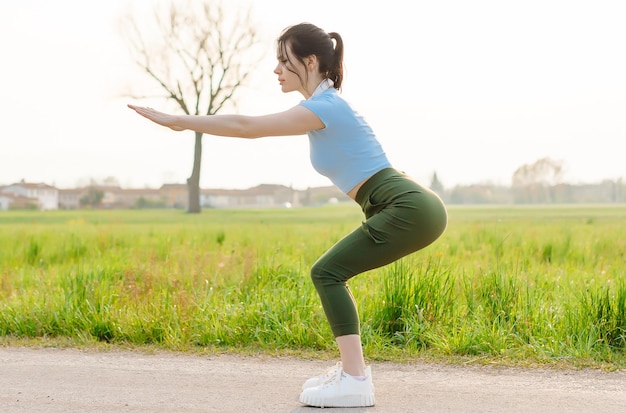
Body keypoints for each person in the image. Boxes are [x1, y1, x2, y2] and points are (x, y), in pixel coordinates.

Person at [128, 22, 447, 408]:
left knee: (326, 272)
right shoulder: (325, 106)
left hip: (407, 206)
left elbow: (248, 127)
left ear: (310, 61)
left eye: (284, 60)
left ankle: (355, 380)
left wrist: (180, 121)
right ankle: (351, 374)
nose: (276, 69)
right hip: (404, 203)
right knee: (330, 272)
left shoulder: (324, 107)